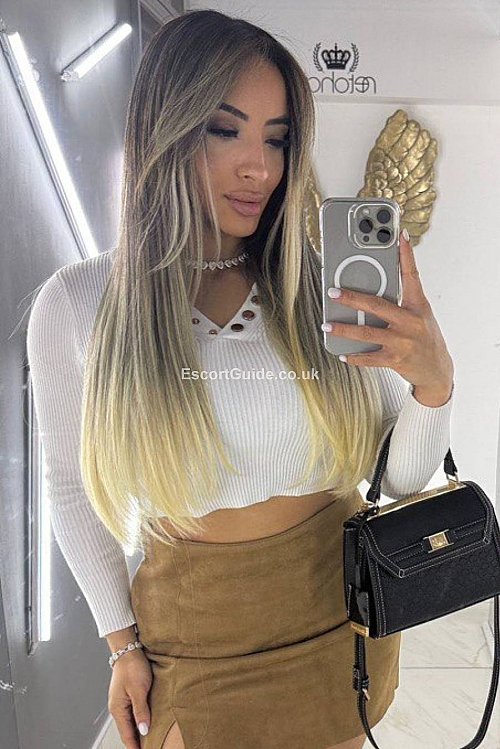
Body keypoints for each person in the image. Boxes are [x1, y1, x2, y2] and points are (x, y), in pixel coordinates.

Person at [26, 9, 455, 749]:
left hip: (337, 618)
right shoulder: (80, 303)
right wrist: (120, 643)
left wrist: (433, 387)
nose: (260, 167)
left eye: (277, 138)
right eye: (225, 130)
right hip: (192, 635)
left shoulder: (319, 286)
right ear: (163, 129)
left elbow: (402, 477)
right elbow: (69, 485)